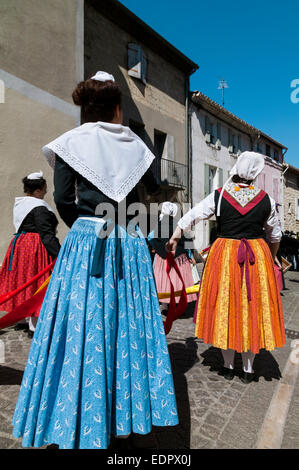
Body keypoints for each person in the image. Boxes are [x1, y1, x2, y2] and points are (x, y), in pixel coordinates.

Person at [12, 71, 178, 449]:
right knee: (128, 324)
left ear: (86, 108)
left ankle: (78, 407)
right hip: (131, 241)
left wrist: (85, 226)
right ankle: (123, 408)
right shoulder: (135, 143)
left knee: (81, 323)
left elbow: (63, 197)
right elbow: (151, 187)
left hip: (88, 239)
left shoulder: (72, 142)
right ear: (117, 108)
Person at [167, 152, 285, 384]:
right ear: (255, 174)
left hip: (224, 255)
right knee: (251, 309)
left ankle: (229, 366)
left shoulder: (219, 196)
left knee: (225, 306)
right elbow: (275, 234)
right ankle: (249, 369)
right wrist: (270, 257)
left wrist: (175, 236)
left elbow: (194, 215)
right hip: (256, 255)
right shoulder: (267, 200)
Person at [0, 172, 60, 337]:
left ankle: (20, 320)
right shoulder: (39, 207)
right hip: (35, 246)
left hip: (20, 245)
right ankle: (34, 325)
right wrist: (59, 253)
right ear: (39, 190)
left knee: (22, 280)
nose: (46, 192)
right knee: (36, 282)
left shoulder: (21, 204)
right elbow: (46, 234)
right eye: (45, 189)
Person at [148, 201, 197, 312]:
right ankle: (179, 303)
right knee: (178, 281)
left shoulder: (159, 225)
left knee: (164, 281)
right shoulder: (179, 224)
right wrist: (190, 254)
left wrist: (158, 249)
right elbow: (188, 240)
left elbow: (154, 240)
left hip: (163, 259)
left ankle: (166, 305)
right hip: (179, 258)